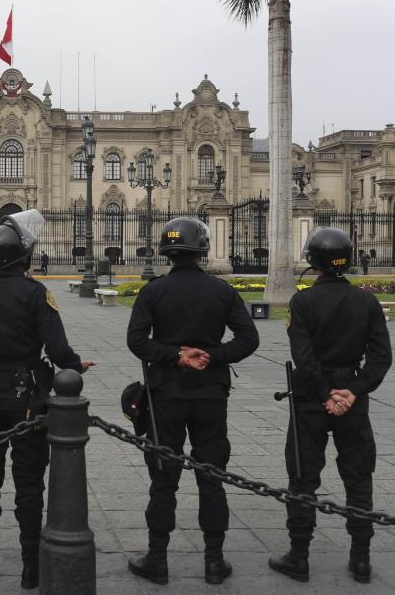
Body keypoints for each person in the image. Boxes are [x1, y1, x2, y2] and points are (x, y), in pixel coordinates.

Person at [0, 210, 94, 590]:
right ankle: (31, 567)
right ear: (22, 258)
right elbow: (59, 350)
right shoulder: (35, 293)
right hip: (28, 394)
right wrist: (77, 365)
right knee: (29, 482)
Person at [126, 217, 259, 586]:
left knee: (164, 479)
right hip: (210, 394)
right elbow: (248, 340)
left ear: (167, 251)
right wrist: (212, 356)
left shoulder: (153, 291)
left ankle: (157, 559)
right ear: (202, 248)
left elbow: (137, 341)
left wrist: (174, 356)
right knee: (211, 477)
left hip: (166, 394)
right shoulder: (222, 291)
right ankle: (214, 561)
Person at [269, 227, 391, 585]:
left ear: (312, 260)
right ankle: (361, 560)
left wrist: (325, 395)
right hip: (353, 398)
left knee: (304, 477)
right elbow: (381, 357)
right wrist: (352, 392)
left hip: (311, 399)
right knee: (358, 476)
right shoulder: (366, 302)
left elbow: (304, 360)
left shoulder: (302, 303)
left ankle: (299, 556)